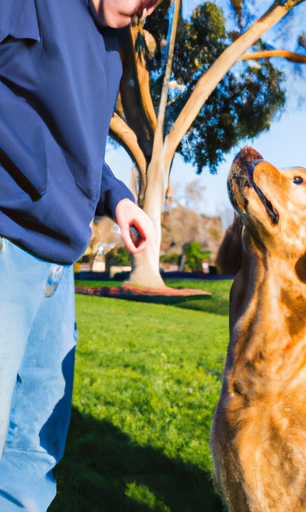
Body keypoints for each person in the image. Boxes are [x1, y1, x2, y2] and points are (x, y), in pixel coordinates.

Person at [0, 0, 161, 509]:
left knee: (35, 449)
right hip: (7, 245)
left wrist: (119, 198)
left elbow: (84, 147)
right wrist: (28, 174)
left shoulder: (113, 46)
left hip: (57, 270)